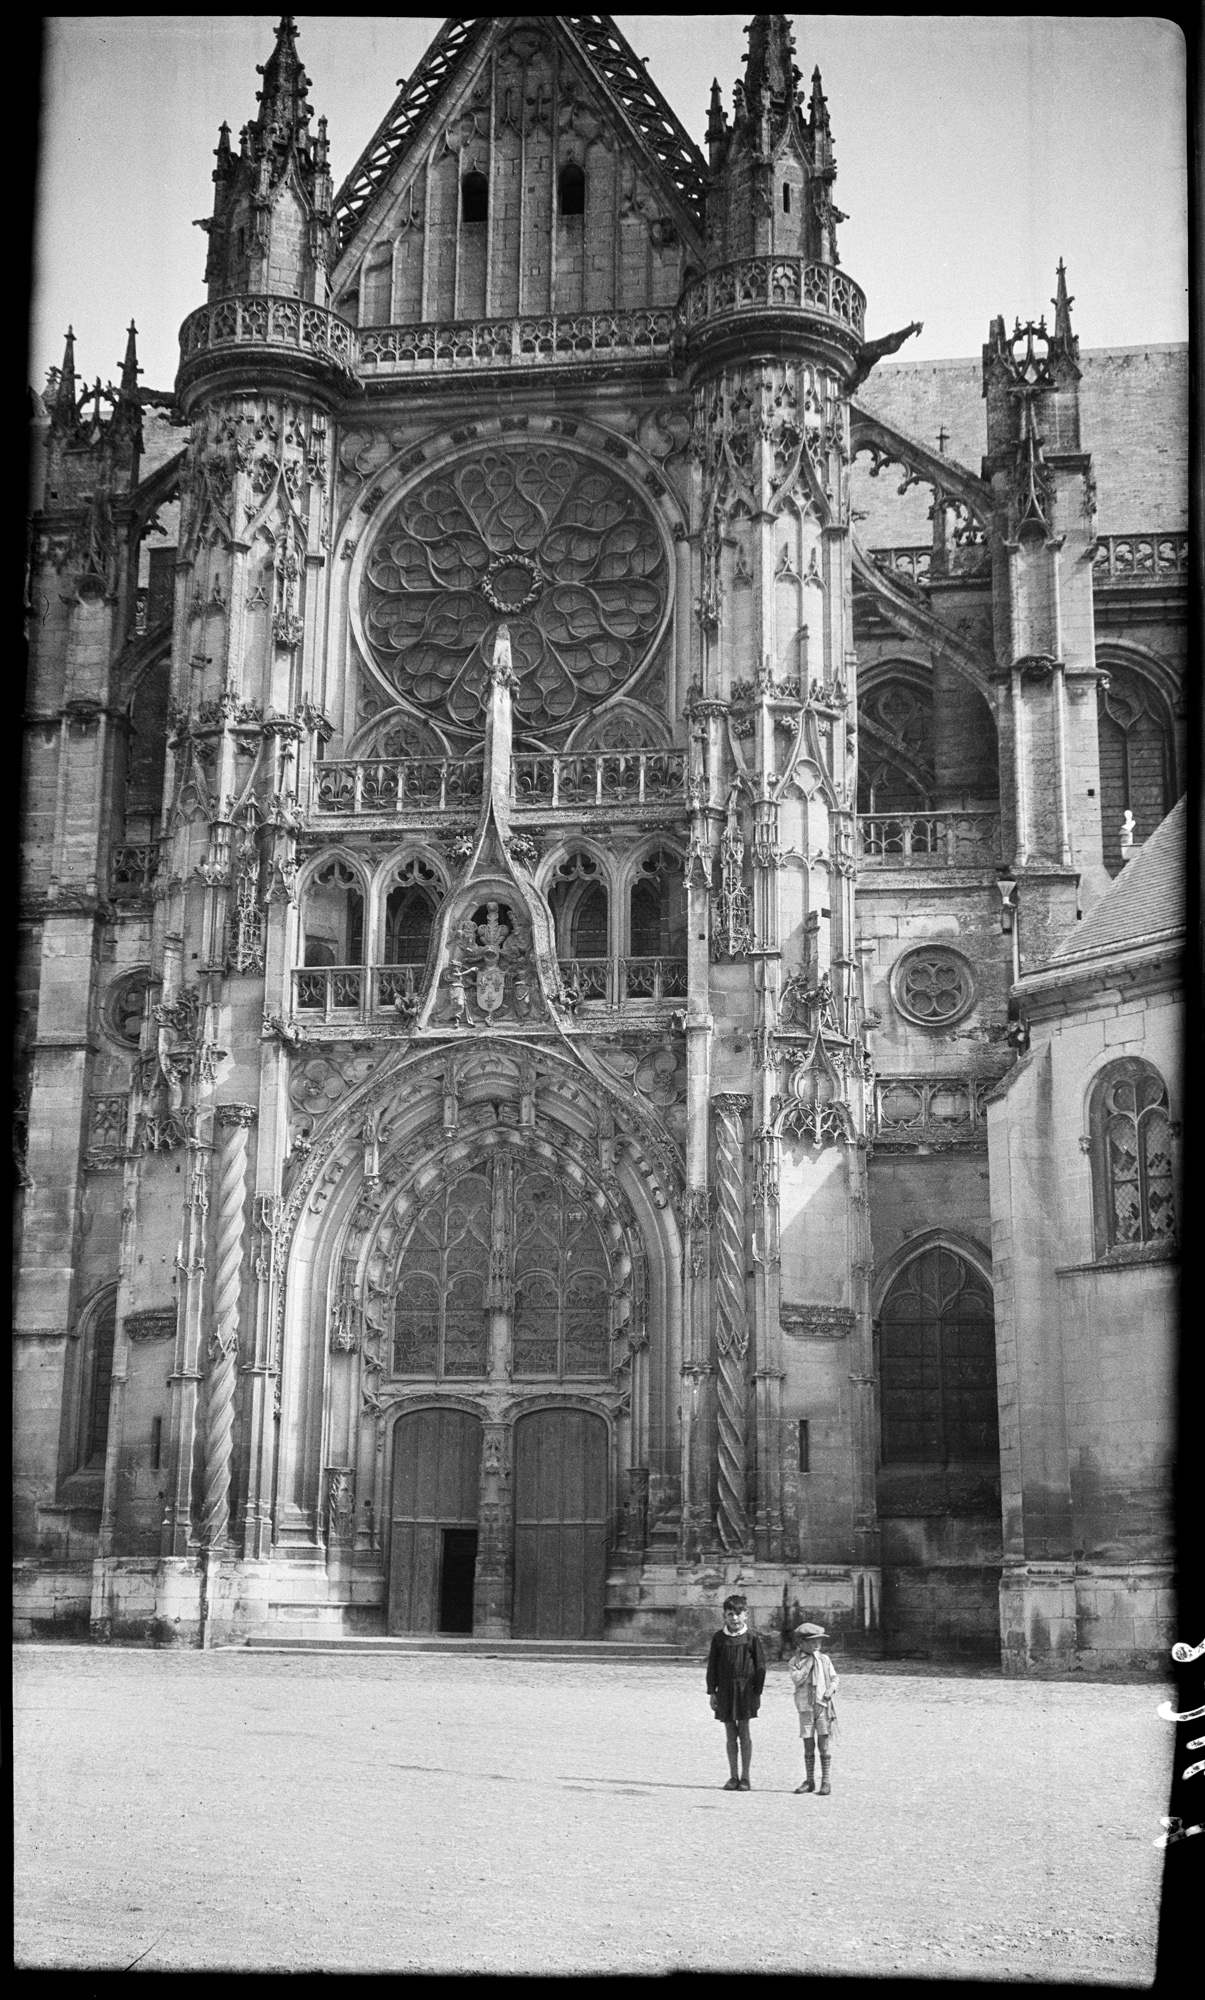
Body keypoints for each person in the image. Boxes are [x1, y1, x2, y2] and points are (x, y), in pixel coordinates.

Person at [706, 1593, 766, 1791]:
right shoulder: (719, 1638)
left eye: (738, 1614)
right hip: (725, 1690)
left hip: (746, 1691)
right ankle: (733, 1776)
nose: (734, 1618)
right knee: (731, 1735)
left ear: (746, 1615)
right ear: (724, 1616)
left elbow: (760, 1667)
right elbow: (712, 1666)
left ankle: (746, 1777)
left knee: (745, 1733)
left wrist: (757, 1693)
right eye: (730, 1614)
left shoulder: (752, 1638)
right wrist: (712, 1692)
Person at [788, 1621, 839, 1795]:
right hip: (805, 1708)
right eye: (812, 1641)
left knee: (824, 1744)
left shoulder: (824, 1660)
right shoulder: (796, 1661)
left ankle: (826, 1780)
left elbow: (834, 1678)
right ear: (801, 1643)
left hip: (822, 1706)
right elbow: (797, 1679)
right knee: (808, 1744)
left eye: (819, 1641)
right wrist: (808, 1664)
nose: (817, 1645)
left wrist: (831, 1689)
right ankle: (810, 1780)